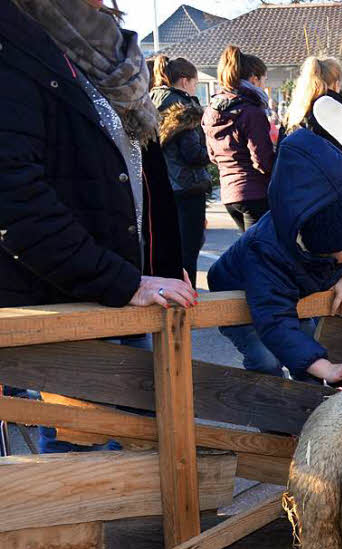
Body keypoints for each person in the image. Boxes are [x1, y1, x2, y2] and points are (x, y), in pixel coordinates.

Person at [2, 0, 194, 454]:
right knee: (82, 469)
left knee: (149, 452)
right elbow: (14, 196)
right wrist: (121, 281)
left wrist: (167, 263)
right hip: (67, 301)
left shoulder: (107, 50)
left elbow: (140, 171)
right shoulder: (17, 40)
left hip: (125, 292)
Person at [207, 128, 342, 384]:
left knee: (306, 338)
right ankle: (270, 403)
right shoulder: (266, 253)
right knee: (265, 357)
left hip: (290, 291)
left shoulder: (332, 240)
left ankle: (308, 397)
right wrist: (326, 370)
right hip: (240, 292)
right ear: (324, 243)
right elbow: (274, 320)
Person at [150, 55, 211, 285]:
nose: (195, 89)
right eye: (195, 83)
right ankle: (187, 305)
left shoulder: (151, 100)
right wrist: (213, 155)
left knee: (166, 250)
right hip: (187, 186)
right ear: (184, 81)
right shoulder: (183, 106)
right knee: (188, 253)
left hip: (161, 185)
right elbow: (192, 154)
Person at [203, 45, 275, 232]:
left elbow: (212, 155)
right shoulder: (251, 111)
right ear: (253, 78)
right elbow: (262, 160)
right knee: (261, 253)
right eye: (263, 81)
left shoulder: (212, 110)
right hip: (254, 191)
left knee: (249, 251)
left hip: (228, 194)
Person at [282, 55, 342, 171]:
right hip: (337, 179)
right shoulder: (338, 108)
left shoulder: (296, 112)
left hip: (301, 180)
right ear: (337, 83)